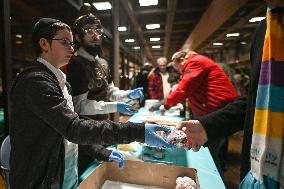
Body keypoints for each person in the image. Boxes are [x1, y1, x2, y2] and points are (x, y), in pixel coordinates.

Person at [9, 18, 174, 189]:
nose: (71, 48)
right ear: (44, 44)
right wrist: (138, 131)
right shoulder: (36, 81)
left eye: (71, 43)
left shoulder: (61, 81)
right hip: (39, 179)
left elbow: (68, 123)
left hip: (63, 171)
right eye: (65, 42)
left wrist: (100, 151)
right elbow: (73, 127)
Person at [177, 2, 284, 188]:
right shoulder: (264, 29)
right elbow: (255, 100)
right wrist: (207, 126)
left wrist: (169, 103)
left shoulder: (194, 64)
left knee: (216, 154)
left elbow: (183, 89)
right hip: (261, 170)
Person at [162, 50, 237, 175]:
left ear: (181, 60)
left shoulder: (195, 62)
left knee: (209, 156)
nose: (180, 72)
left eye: (178, 69)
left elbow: (183, 89)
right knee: (211, 153)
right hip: (213, 110)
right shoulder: (196, 61)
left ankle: (212, 181)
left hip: (214, 112)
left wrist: (166, 104)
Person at [66, 11, 144, 120]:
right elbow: (79, 106)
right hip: (85, 128)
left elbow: (110, 92)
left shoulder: (103, 63)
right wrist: (114, 106)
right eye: (89, 31)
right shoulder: (75, 63)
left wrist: (128, 94)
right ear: (78, 37)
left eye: (98, 31)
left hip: (103, 123)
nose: (95, 35)